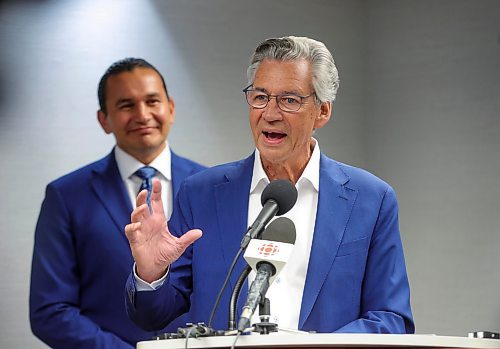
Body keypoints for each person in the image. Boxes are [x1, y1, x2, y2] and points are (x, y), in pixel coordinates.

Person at [124, 37, 415, 334]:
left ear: (322, 111)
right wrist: (151, 273)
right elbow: (153, 317)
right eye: (260, 97)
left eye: (290, 100)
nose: (271, 113)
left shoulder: (370, 199)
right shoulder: (201, 194)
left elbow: (391, 319)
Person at [29, 58, 206, 349]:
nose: (142, 114)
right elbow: (50, 310)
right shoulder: (66, 195)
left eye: (152, 101)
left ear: (171, 108)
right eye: (126, 105)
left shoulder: (210, 187)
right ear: (104, 120)